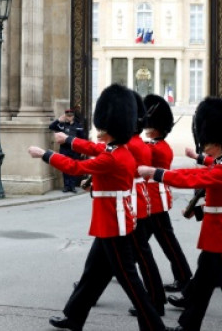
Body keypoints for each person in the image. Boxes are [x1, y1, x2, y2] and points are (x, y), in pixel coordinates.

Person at [28, 83, 166, 331]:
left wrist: (45, 154)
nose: (100, 131)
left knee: (128, 279)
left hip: (113, 222)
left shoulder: (114, 155)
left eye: (103, 128)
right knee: (94, 273)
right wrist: (70, 140)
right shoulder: (117, 149)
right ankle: (74, 316)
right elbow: (95, 149)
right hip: (108, 220)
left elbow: (76, 168)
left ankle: (153, 325)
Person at [140, 97, 222, 331]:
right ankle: (187, 326)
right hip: (216, 233)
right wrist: (199, 208)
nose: (204, 145)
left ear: (219, 142)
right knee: (201, 286)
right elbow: (212, 181)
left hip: (220, 236)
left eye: (207, 141)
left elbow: (191, 178)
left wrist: (155, 173)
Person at [143, 94, 194, 293]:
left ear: (154, 127)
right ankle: (183, 276)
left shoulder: (154, 148)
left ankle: (183, 278)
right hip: (155, 198)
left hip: (154, 199)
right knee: (164, 242)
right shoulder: (160, 145)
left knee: (164, 243)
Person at [49, 108, 87, 193]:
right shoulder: (61, 125)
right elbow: (51, 127)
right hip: (64, 149)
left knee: (73, 167)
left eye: (71, 116)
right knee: (65, 167)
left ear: (73, 116)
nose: (69, 117)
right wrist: (58, 120)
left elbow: (82, 138)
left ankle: (72, 186)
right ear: (65, 116)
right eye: (67, 116)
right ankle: (66, 186)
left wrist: (83, 150)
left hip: (75, 149)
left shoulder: (78, 126)